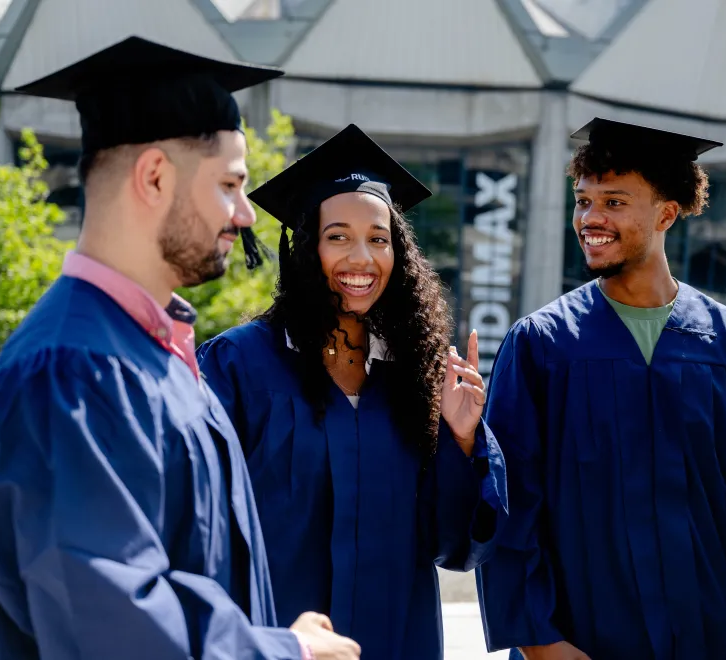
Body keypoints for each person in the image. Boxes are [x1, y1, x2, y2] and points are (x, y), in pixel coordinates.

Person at [0, 36, 359, 660]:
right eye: (230, 184)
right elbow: (110, 625)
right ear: (153, 177)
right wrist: (284, 652)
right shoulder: (72, 370)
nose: (246, 214)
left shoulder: (158, 354)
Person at [476, 118, 726, 660]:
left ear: (666, 213)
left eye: (614, 202)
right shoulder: (542, 344)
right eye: (583, 201)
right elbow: (510, 504)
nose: (591, 219)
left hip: (704, 635)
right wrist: (542, 644)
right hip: (577, 637)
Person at [196, 123, 508, 660]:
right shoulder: (240, 366)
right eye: (337, 236)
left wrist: (460, 437)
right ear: (305, 250)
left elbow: (455, 546)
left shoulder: (417, 376)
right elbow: (198, 527)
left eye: (378, 238)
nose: (361, 258)